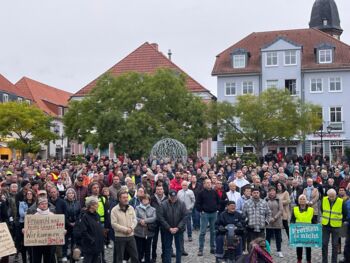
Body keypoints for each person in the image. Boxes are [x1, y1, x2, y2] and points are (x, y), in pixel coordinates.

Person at [157, 189, 187, 263]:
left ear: (176, 196)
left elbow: (185, 217)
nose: (173, 198)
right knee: (167, 248)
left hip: (179, 229)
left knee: (179, 248)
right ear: (169, 196)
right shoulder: (163, 204)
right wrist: (169, 228)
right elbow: (161, 217)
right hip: (167, 230)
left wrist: (178, 227)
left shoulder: (182, 203)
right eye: (172, 197)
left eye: (175, 197)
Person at [110, 190, 139, 263]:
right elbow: (114, 224)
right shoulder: (114, 210)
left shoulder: (131, 208)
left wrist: (131, 228)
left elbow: (135, 220)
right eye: (124, 197)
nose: (126, 199)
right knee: (119, 258)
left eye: (127, 197)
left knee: (135, 256)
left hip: (131, 236)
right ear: (119, 198)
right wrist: (125, 229)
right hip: (120, 237)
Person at [321, 188, 347, 263]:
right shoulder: (324, 199)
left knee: (335, 245)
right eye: (330, 196)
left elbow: (345, 213)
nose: (332, 198)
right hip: (326, 225)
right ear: (328, 195)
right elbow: (322, 210)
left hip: (336, 226)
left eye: (333, 196)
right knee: (324, 244)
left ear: (336, 195)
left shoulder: (341, 201)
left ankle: (334, 261)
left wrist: (340, 221)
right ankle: (324, 261)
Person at [195, 178, 220, 256]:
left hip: (214, 214)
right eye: (207, 183)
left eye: (210, 183)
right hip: (205, 214)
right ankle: (200, 249)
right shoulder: (201, 193)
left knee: (213, 232)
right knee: (202, 232)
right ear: (204, 184)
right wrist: (201, 210)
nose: (209, 184)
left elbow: (218, 202)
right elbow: (197, 204)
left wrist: (217, 209)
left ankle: (213, 248)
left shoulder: (214, 192)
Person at [77, 196, 104, 263]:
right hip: (89, 245)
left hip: (97, 244)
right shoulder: (84, 216)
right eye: (96, 204)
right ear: (91, 205)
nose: (98, 205)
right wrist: (91, 240)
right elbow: (83, 231)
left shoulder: (97, 215)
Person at [31, 197, 57, 263]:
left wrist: (62, 231)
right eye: (42, 204)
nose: (44, 205)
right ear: (38, 205)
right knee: (36, 260)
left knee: (48, 259)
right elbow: (30, 228)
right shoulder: (34, 216)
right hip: (37, 243)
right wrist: (25, 230)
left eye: (45, 203)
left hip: (49, 242)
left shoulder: (52, 215)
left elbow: (57, 228)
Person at [291, 194, 316, 263]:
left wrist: (316, 227)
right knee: (299, 246)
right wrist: (292, 226)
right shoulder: (295, 209)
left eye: (304, 199)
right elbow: (292, 219)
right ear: (299, 201)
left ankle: (309, 260)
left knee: (308, 247)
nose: (302, 200)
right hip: (298, 230)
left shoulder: (311, 209)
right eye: (301, 199)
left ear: (306, 201)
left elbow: (313, 220)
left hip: (308, 230)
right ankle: (299, 259)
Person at [134, 194, 156, 263]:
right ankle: (139, 260)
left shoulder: (153, 209)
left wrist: (145, 221)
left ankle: (147, 261)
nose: (145, 201)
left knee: (148, 249)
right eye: (143, 199)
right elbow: (134, 217)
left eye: (146, 199)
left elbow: (154, 218)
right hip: (138, 232)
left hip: (149, 233)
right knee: (139, 249)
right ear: (141, 200)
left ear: (149, 201)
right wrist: (140, 221)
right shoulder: (137, 208)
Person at [150, 185, 167, 263]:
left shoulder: (167, 198)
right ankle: (154, 257)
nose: (159, 191)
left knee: (164, 240)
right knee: (154, 240)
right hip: (155, 221)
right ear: (155, 190)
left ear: (163, 190)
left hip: (164, 221)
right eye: (158, 189)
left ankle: (164, 256)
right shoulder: (152, 198)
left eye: (161, 189)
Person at [265, 187, 284, 258]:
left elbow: (281, 210)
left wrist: (275, 217)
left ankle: (279, 251)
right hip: (268, 221)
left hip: (277, 221)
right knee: (268, 237)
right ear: (268, 192)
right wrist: (269, 218)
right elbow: (264, 210)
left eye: (273, 191)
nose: (272, 192)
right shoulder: (265, 199)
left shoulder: (279, 199)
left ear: (275, 192)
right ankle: (267, 250)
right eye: (270, 191)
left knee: (278, 237)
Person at [63, 188, 81, 262]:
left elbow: (80, 213)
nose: (71, 194)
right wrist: (68, 223)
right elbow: (63, 214)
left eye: (72, 193)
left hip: (75, 224)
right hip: (67, 224)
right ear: (66, 195)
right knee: (65, 241)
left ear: (74, 194)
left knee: (74, 241)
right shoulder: (64, 202)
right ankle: (64, 255)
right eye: (69, 193)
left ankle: (73, 256)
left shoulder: (77, 202)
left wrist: (76, 222)